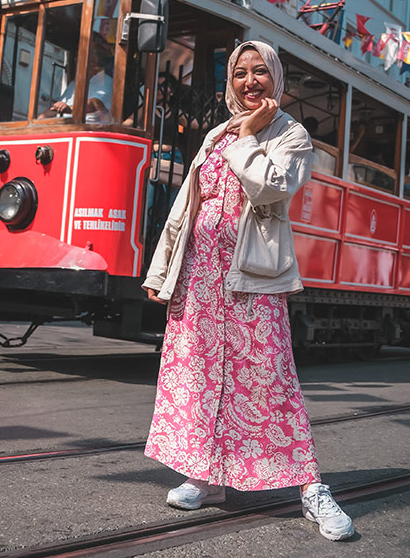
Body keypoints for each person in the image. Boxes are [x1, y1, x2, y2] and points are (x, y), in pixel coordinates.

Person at [142, 41, 354, 542]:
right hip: (198, 277)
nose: (250, 81)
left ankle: (310, 488)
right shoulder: (216, 133)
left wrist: (250, 137)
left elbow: (271, 189)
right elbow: (185, 207)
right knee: (196, 377)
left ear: (275, 80)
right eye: (240, 72)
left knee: (268, 381)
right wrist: (161, 270)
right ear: (230, 81)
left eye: (260, 72)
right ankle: (206, 476)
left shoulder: (291, 135)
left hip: (251, 279)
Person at [39, 36, 113, 123]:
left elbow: (94, 104)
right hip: (64, 129)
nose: (76, 62)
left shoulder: (107, 82)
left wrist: (68, 109)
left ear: (94, 64)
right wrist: (38, 121)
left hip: (88, 132)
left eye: (80, 59)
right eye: (76, 59)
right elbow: (56, 109)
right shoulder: (74, 83)